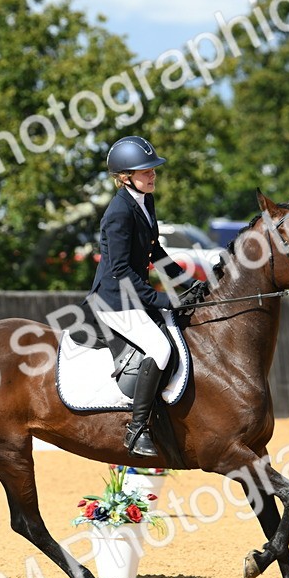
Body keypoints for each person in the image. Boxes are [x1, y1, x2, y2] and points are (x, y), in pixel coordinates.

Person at [87, 135, 203, 457]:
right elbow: (120, 271)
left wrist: (187, 283)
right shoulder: (118, 213)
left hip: (133, 293)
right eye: (145, 171)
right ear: (125, 177)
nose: (153, 175)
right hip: (115, 300)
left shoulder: (145, 201)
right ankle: (136, 429)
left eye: (153, 169)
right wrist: (163, 300)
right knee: (160, 348)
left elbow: (156, 252)